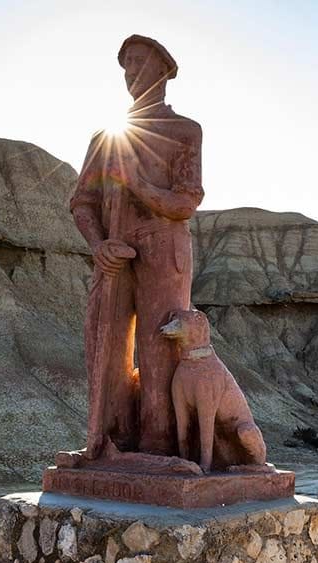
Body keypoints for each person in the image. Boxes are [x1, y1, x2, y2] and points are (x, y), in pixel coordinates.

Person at [70, 34, 204, 457]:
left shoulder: (184, 131)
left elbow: (185, 202)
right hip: (114, 254)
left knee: (158, 343)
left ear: (163, 70)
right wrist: (99, 245)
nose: (130, 73)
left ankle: (160, 443)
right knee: (104, 344)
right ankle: (110, 438)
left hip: (164, 249)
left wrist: (138, 185)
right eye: (125, 65)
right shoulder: (107, 137)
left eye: (139, 63)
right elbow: (82, 201)